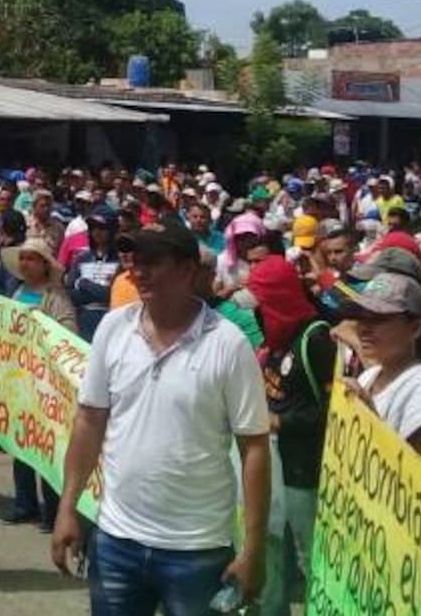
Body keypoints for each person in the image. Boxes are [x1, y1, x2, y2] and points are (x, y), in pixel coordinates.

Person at [52, 221, 270, 616]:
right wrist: (68, 507)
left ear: (188, 269)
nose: (137, 270)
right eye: (134, 260)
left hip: (197, 550)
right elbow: (89, 420)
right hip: (116, 541)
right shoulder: (113, 329)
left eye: (153, 261)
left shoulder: (228, 345)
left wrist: (253, 550)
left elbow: (254, 447)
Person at [250, 255, 334, 616]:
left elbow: (333, 413)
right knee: (271, 542)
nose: (257, 311)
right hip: (274, 461)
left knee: (309, 551)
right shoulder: (276, 337)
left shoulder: (316, 339)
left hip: (305, 470)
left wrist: (281, 422)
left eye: (263, 302)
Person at [341, 271, 421, 478]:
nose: (364, 329)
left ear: (415, 328)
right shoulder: (369, 376)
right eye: (361, 318)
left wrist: (370, 422)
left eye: (378, 319)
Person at [0, 237, 78, 531]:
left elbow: (69, 333)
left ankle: (53, 509)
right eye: (23, 258)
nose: (25, 263)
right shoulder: (18, 292)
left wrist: (41, 324)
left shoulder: (56, 297)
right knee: (22, 442)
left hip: (45, 382)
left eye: (31, 258)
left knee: (47, 445)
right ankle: (24, 503)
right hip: (20, 378)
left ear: (45, 264)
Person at [66, 207, 119, 342]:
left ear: (112, 229)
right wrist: (100, 292)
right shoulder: (81, 258)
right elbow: (71, 294)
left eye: (102, 227)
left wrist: (84, 283)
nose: (97, 232)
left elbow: (112, 295)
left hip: (112, 321)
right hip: (84, 320)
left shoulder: (120, 260)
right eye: (93, 227)